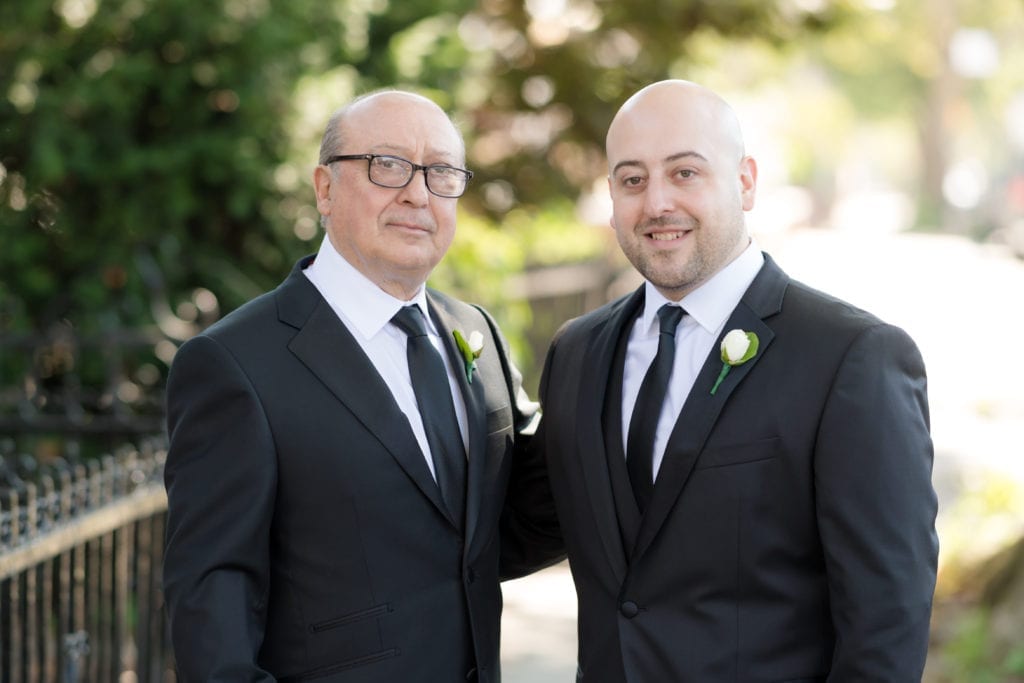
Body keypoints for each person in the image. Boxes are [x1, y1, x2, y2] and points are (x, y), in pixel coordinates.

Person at [532, 79, 939, 681]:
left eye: (685, 173)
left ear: (745, 181)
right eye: (632, 179)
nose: (657, 204)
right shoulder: (577, 353)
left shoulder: (853, 357)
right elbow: (527, 524)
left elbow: (886, 623)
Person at [162, 89, 561, 683]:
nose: (418, 194)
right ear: (325, 189)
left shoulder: (476, 332)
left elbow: (518, 517)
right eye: (389, 165)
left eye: (442, 172)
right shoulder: (232, 364)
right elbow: (212, 610)